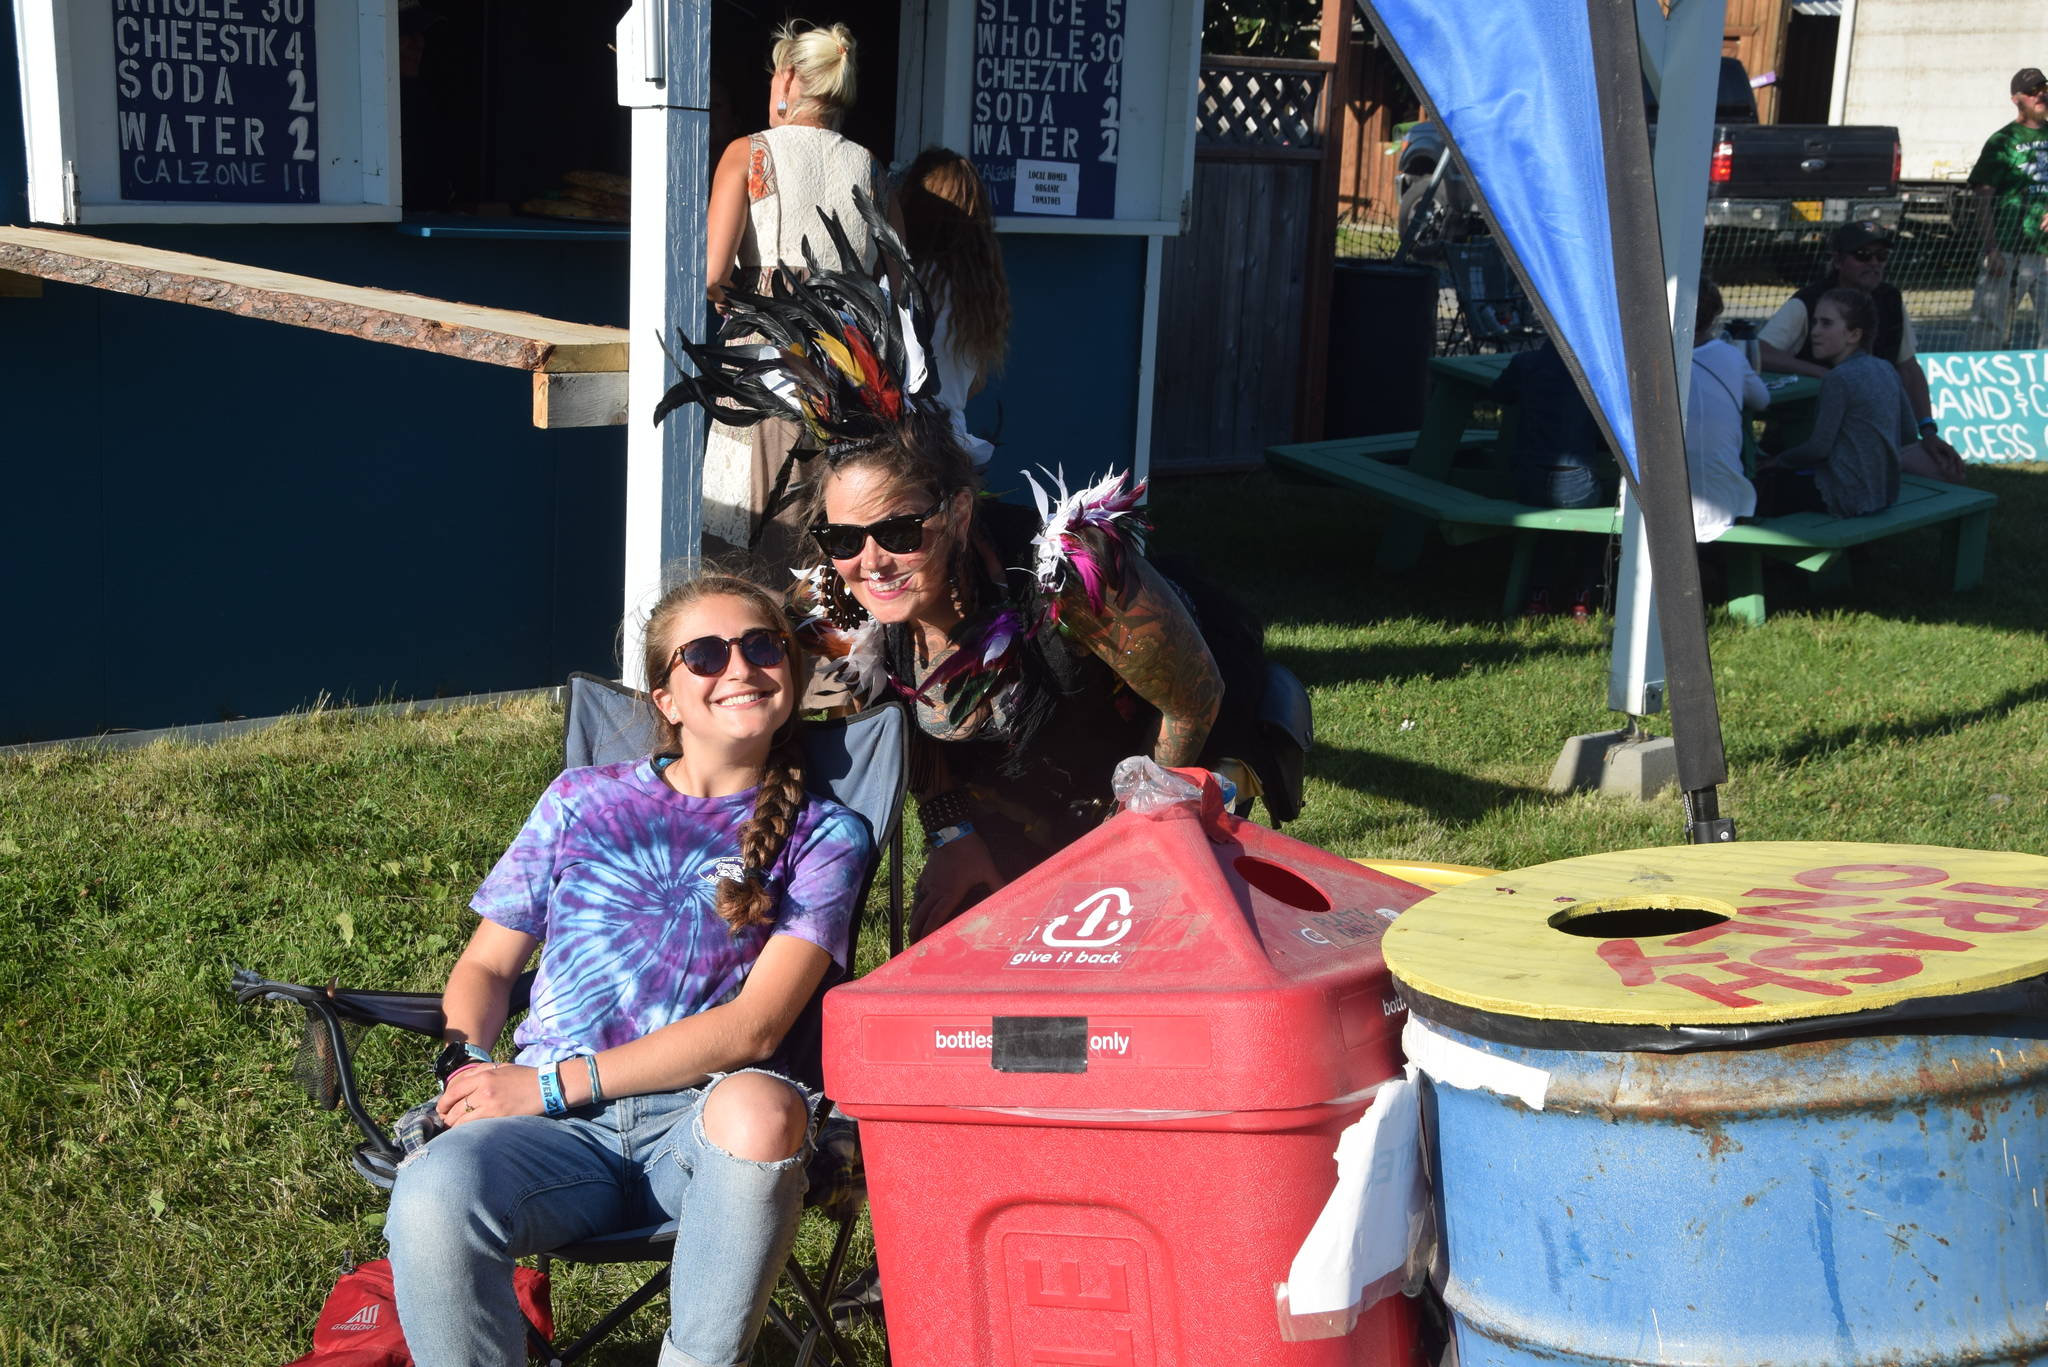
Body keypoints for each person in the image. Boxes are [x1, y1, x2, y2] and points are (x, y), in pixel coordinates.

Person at [655, 198, 1285, 943]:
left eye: (896, 529)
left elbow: (1195, 698)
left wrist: (1128, 850)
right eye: (842, 536)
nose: (870, 561)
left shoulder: (1070, 575)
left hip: (1173, 784)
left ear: (955, 514)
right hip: (1023, 811)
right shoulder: (845, 598)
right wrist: (955, 838)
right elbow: (902, 736)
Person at [384, 572, 872, 1367]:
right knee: (435, 1190)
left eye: (762, 646)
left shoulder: (825, 835)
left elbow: (756, 1026)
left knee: (764, 1109)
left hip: (700, 1127)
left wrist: (549, 1083)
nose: (740, 668)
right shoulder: (582, 799)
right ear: (667, 698)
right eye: (706, 654)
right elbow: (486, 963)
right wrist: (466, 1060)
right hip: (553, 1140)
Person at [701, 21, 890, 577]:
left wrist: (730, 299)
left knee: (745, 525)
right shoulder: (873, 169)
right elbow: (897, 285)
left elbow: (713, 271)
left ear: (786, 79)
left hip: (765, 360)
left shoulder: (748, 152)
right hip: (848, 369)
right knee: (832, 524)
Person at [1756, 221, 1967, 478]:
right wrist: (1822, 374)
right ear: (1837, 260)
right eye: (1863, 255)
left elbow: (1909, 368)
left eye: (1882, 256)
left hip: (1871, 437)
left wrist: (1929, 432)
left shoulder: (1891, 300)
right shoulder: (1807, 301)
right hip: (1811, 427)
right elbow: (1760, 352)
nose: (1874, 263)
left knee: (1947, 469)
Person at [1755, 288, 1918, 519]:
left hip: (1843, 497)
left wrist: (1776, 461)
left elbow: (1818, 449)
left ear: (1854, 335)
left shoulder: (1838, 378)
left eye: (1826, 324)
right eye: (1815, 323)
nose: (1815, 332)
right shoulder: (1886, 369)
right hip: (1884, 495)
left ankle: (1751, 553)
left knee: (1759, 487)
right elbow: (1909, 433)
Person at [897, 148, 1011, 470]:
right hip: (953, 446)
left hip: (901, 444)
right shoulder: (978, 291)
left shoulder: (904, 279)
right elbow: (974, 384)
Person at [1488, 338, 1612, 617]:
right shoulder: (1598, 369)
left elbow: (1498, 394)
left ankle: (1538, 594)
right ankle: (1583, 595)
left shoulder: (1526, 363)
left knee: (1549, 526)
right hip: (1577, 480)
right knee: (1599, 519)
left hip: (1528, 480)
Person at [1966, 67, 2048, 351]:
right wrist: (1991, 249)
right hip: (2008, 249)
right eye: (2032, 91)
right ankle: (1983, 387)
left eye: (2044, 88)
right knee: (1990, 330)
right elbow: (1983, 198)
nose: (2040, 94)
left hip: (2045, 251)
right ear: (2016, 99)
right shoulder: (2003, 140)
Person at [1685, 278, 1767, 542]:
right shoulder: (1730, 355)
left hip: (1649, 507)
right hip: (1724, 504)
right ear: (1713, 318)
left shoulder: (1648, 359)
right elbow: (1762, 400)